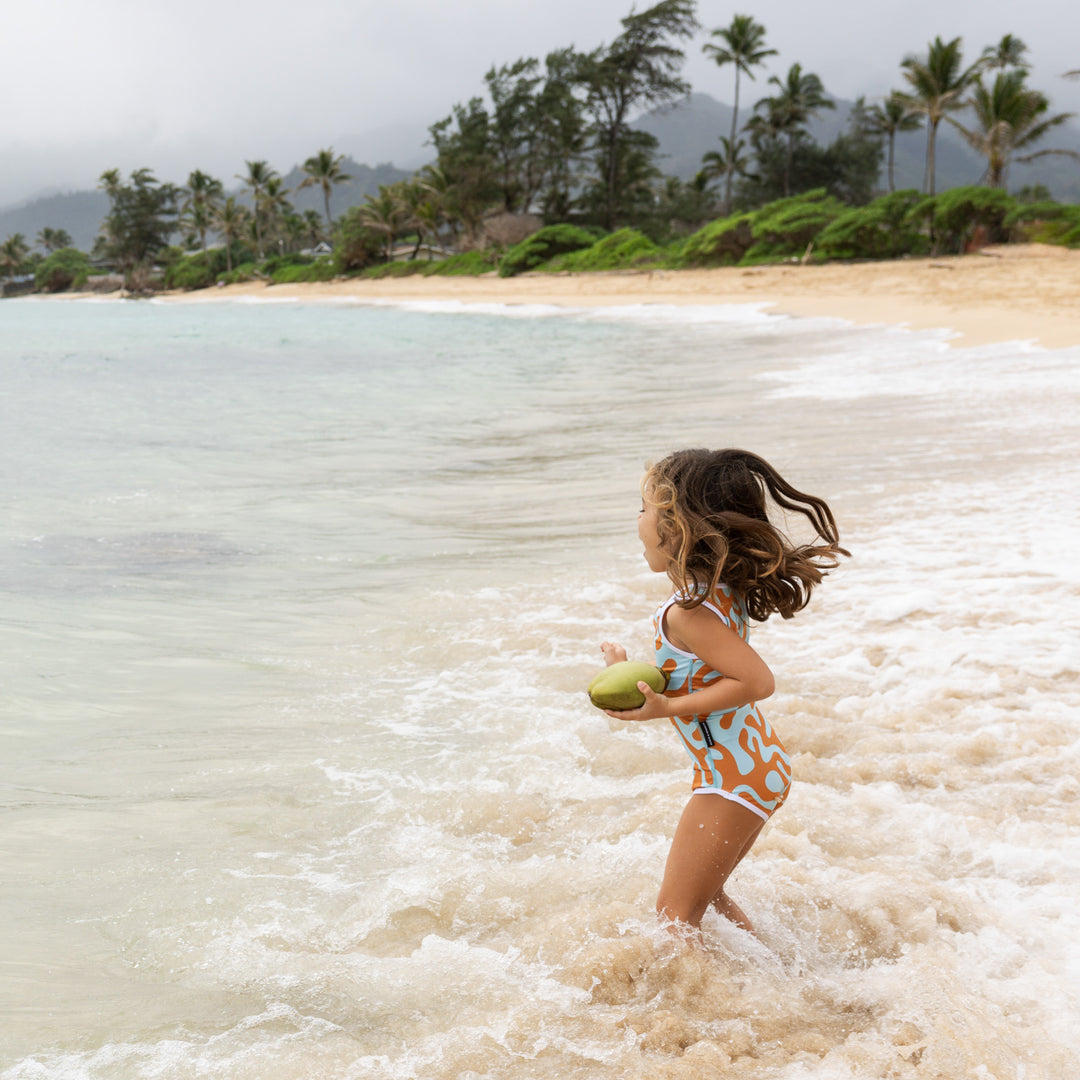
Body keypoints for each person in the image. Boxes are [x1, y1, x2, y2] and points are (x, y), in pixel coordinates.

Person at [598, 448, 848, 937]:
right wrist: (628, 675)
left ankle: (697, 991)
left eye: (644, 509)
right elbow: (700, 673)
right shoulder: (714, 593)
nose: (637, 519)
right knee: (705, 900)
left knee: (674, 917)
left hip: (733, 776)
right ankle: (768, 973)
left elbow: (756, 682)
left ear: (676, 528)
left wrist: (666, 709)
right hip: (749, 766)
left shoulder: (687, 612)